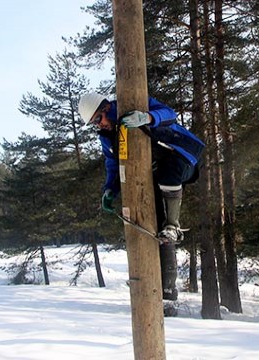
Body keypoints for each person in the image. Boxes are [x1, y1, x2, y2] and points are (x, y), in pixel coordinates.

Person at [78, 92, 204, 301]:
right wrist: (109, 190)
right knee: (152, 220)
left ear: (106, 108)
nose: (99, 126)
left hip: (180, 155)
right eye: (94, 124)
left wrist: (147, 118)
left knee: (169, 172)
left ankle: (173, 225)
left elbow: (169, 114)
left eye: (98, 119)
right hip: (153, 173)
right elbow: (112, 164)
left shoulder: (132, 101)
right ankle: (164, 288)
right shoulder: (108, 137)